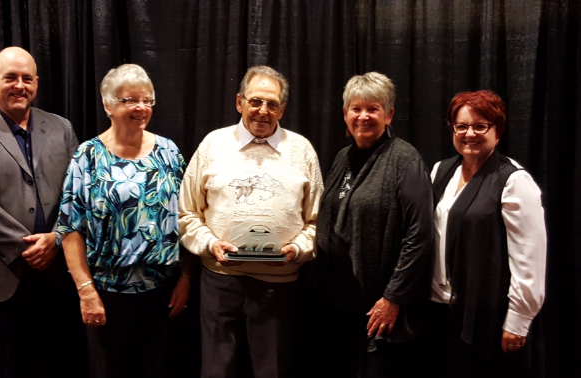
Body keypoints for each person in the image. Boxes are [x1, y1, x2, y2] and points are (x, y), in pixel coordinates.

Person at [179, 65, 323, 378]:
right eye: (255, 101)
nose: (263, 110)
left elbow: (318, 222)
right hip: (219, 279)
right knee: (217, 371)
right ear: (239, 102)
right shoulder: (212, 145)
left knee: (272, 371)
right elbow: (187, 212)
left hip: (279, 284)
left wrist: (297, 249)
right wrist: (210, 244)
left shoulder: (302, 151)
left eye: (272, 104)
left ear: (282, 109)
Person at [0, 47, 83, 377]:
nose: (19, 85)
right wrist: (28, 247)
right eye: (10, 77)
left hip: (48, 277)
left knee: (41, 366)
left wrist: (56, 238)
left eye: (27, 78)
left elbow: (79, 194)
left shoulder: (62, 129)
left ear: (37, 82)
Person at [56, 64, 191, 378]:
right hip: (107, 296)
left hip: (162, 293)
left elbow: (188, 218)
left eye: (147, 100)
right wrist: (86, 292)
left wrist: (187, 277)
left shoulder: (169, 152)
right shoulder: (87, 156)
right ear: (108, 105)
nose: (141, 107)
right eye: (130, 100)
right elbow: (70, 228)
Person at [314, 72, 434, 377]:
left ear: (389, 114)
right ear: (345, 114)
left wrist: (393, 298)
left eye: (373, 109)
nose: (363, 117)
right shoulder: (343, 157)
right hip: (339, 303)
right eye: (356, 109)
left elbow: (418, 236)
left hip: (378, 307)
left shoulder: (405, 160)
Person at [423, 90, 546, 377]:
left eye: (480, 126)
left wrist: (518, 321)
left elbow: (529, 259)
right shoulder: (441, 170)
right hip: (439, 310)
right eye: (462, 126)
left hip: (487, 316)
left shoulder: (514, 180)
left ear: (498, 130)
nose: (470, 134)